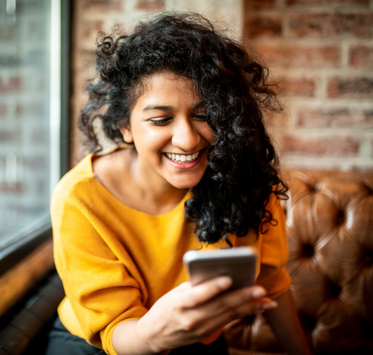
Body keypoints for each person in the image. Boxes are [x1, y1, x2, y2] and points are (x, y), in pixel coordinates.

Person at [47, 12, 311, 355]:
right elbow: (114, 329)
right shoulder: (79, 198)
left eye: (204, 115)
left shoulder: (243, 178)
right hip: (99, 344)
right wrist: (155, 335)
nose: (187, 140)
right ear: (125, 126)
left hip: (194, 342)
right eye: (161, 119)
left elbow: (272, 283)